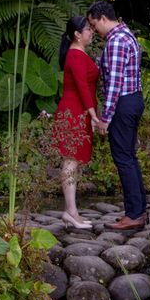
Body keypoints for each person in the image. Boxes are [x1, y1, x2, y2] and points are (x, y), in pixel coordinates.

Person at [87, 1, 148, 230]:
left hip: (123, 102)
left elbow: (114, 83)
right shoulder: (127, 34)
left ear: (103, 18)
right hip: (133, 99)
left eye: (94, 25)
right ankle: (139, 211)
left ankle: (134, 214)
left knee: (123, 158)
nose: (94, 30)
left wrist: (106, 117)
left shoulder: (115, 41)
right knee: (129, 157)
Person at [54, 16, 100, 230]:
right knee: (71, 161)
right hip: (74, 112)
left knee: (75, 161)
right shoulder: (75, 55)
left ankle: (72, 211)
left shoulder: (79, 53)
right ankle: (70, 212)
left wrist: (90, 114)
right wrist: (94, 115)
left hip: (79, 111)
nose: (91, 32)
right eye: (88, 29)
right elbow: (82, 87)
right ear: (77, 35)